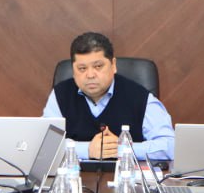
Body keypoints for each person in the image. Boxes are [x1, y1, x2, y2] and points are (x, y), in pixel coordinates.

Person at [42, 31, 174, 161]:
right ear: (73, 70)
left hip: (126, 173)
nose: (90, 75)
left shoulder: (141, 97)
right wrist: (87, 149)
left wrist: (122, 149)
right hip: (74, 173)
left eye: (98, 66)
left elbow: (170, 146)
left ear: (113, 65)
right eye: (82, 68)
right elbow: (45, 145)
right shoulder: (60, 94)